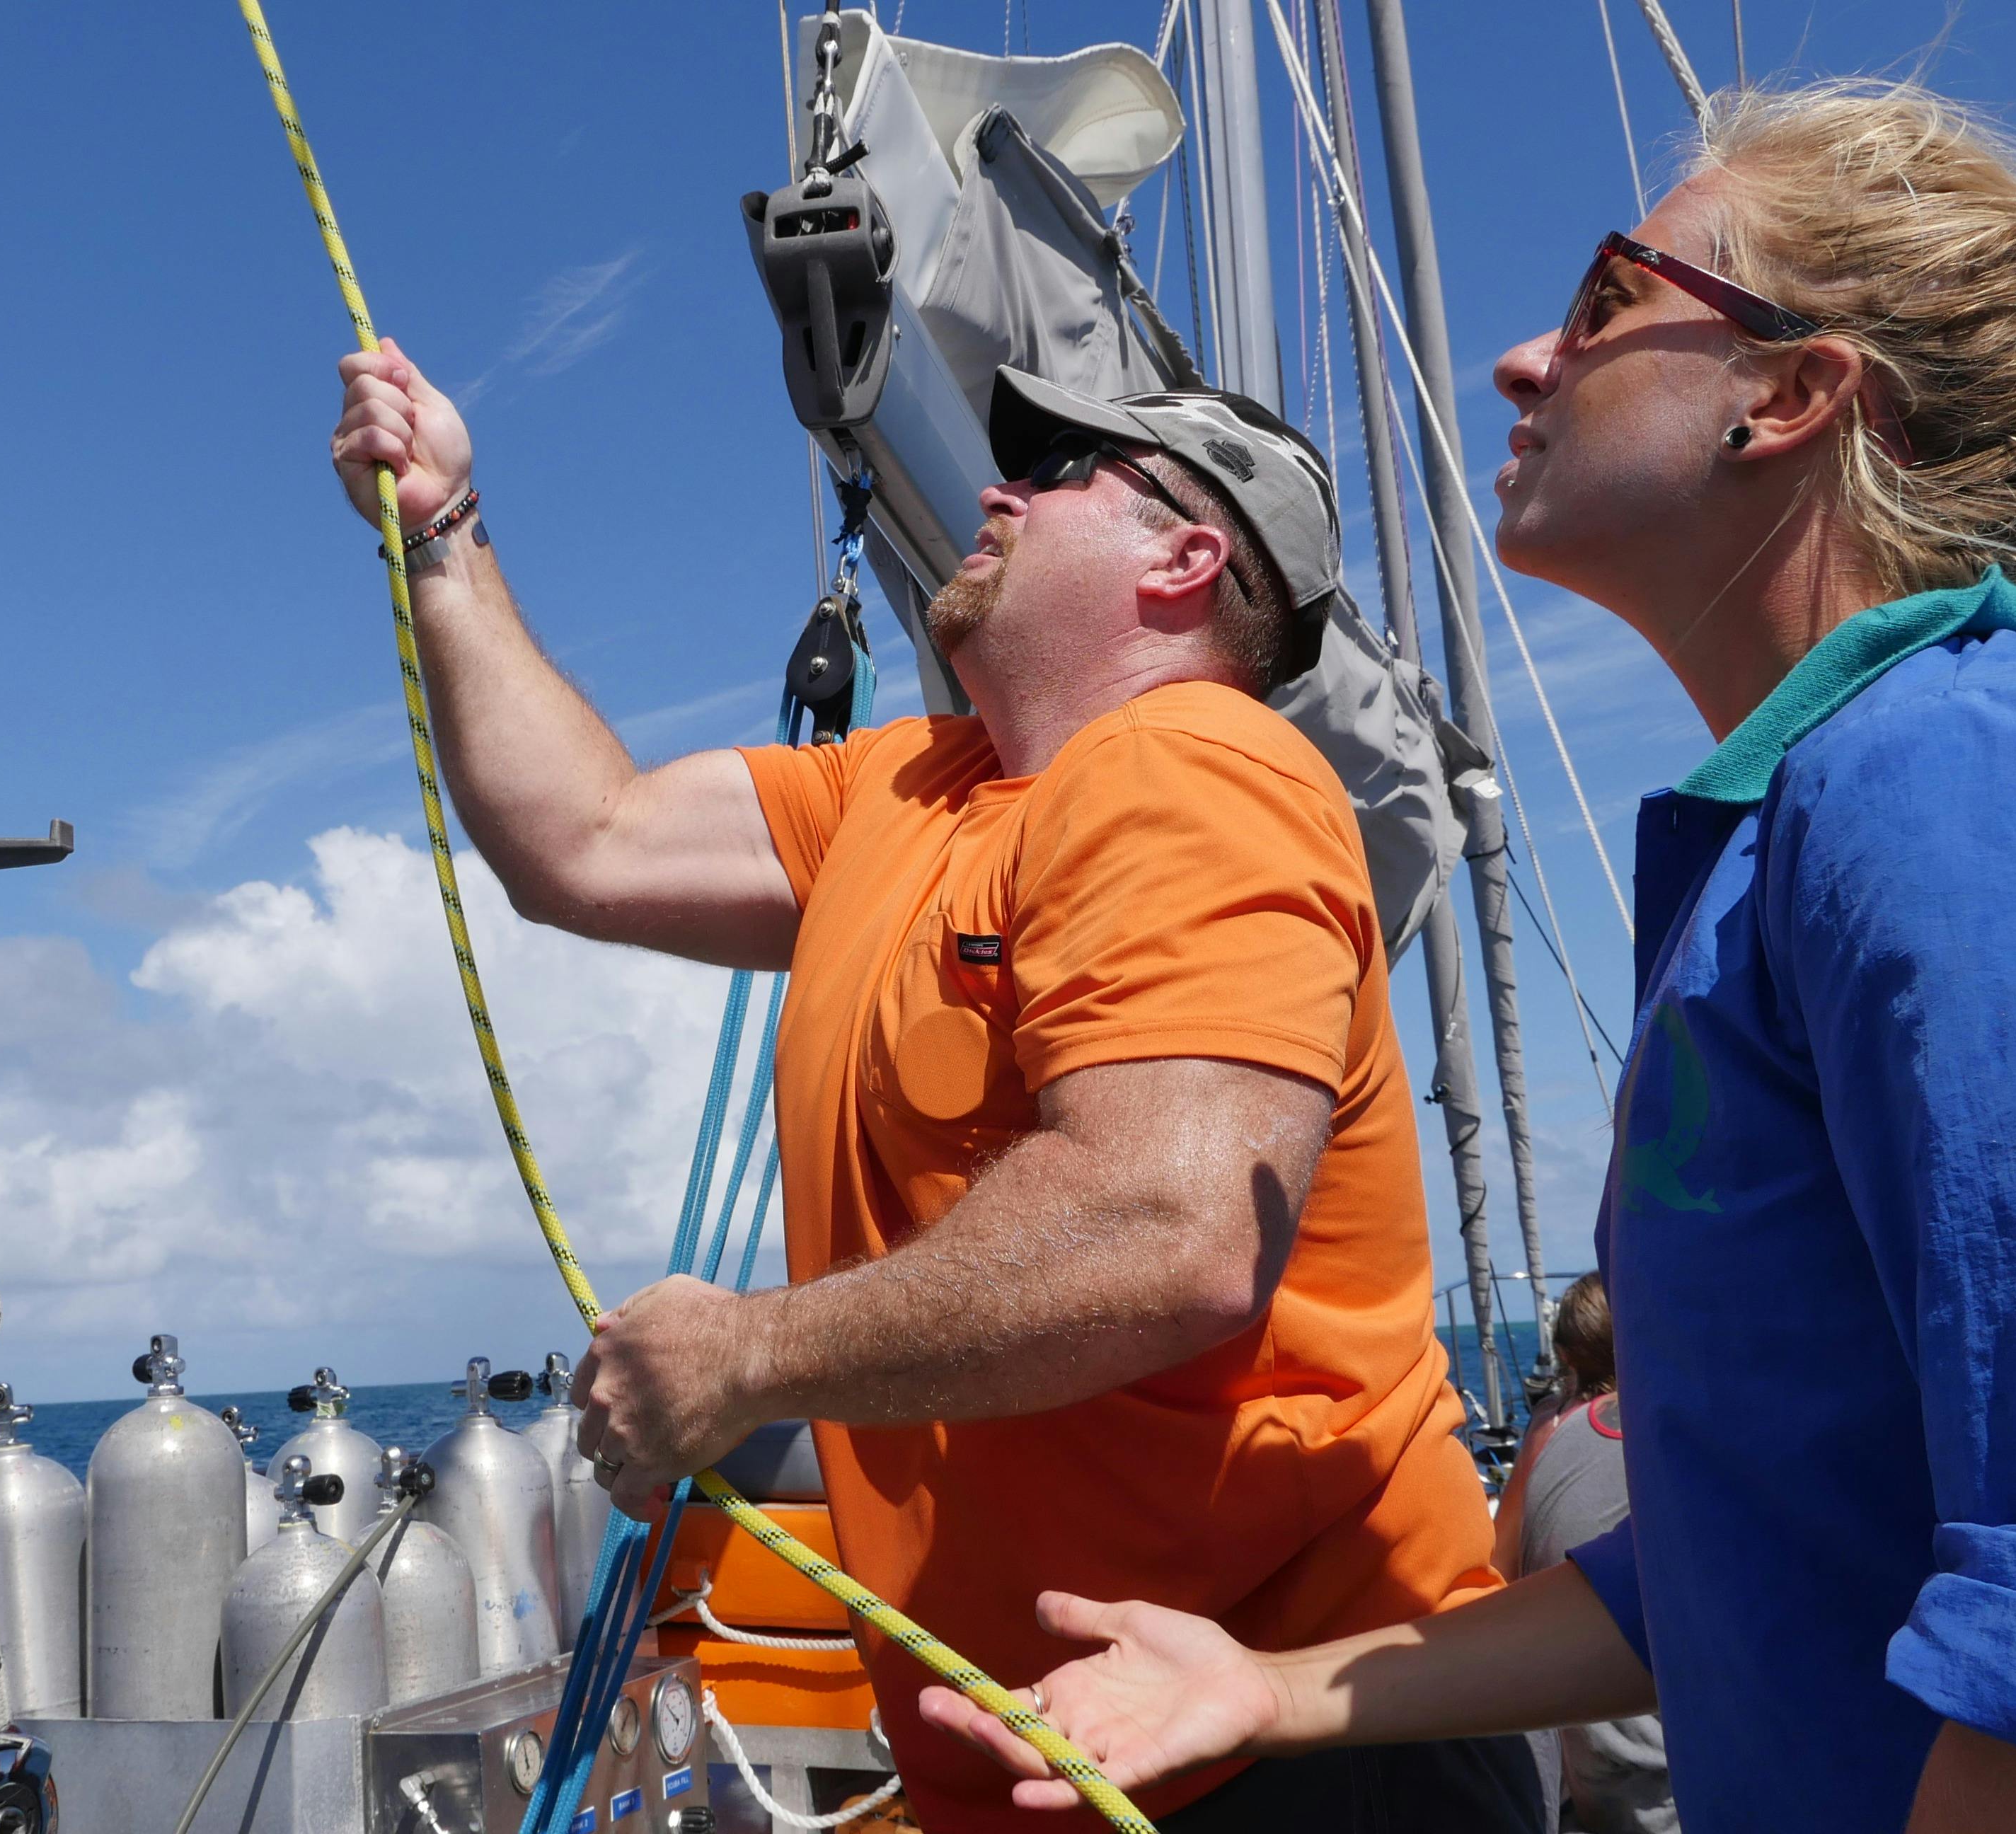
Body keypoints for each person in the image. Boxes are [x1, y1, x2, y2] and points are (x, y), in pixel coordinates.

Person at [921, 79, 2016, 1834]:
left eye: (1607, 298)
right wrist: (1266, 1685)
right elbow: (1744, 1559)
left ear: (1789, 393)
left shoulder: (1987, 770)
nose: (1519, 359)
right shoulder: (1784, 848)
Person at [326, 348, 1541, 1828]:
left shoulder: (1198, 766)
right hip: (1064, 1760)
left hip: (1294, 1759)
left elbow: (1168, 1224)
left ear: (1187, 552)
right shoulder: (908, 792)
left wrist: (743, 1360)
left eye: (1056, 473)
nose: (993, 491)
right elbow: (587, 838)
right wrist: (446, 529)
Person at [1494, 1273, 1672, 1834]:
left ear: (1569, 1355)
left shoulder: (1547, 1435)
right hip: (1656, 1794)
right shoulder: (1652, 1439)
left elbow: (1498, 1569)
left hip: (1573, 1779)